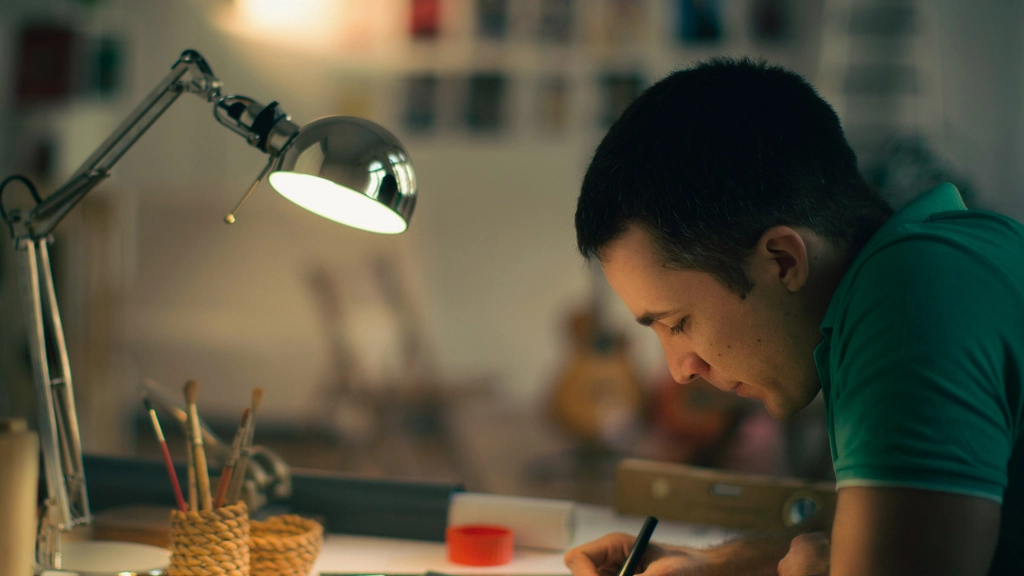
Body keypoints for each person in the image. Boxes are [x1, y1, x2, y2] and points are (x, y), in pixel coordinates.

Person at [565, 58, 1023, 576]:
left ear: (783, 259)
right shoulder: (949, 255)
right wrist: (714, 565)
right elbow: (894, 533)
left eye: (678, 323)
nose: (679, 368)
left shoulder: (910, 302)